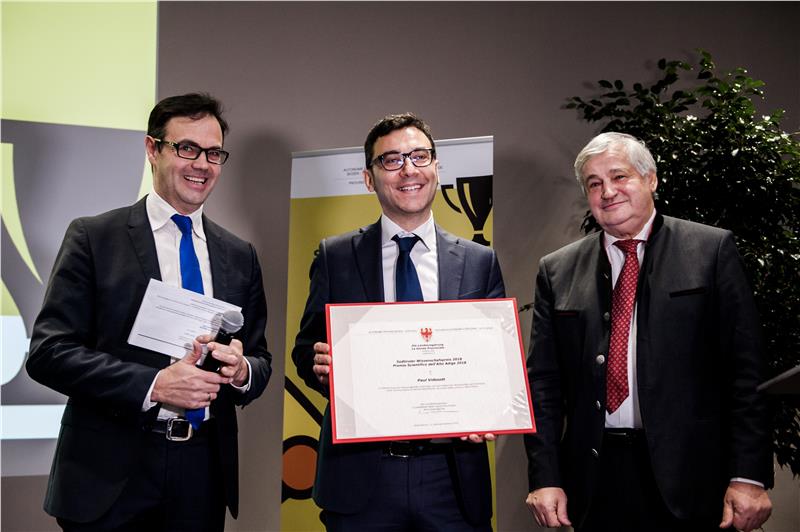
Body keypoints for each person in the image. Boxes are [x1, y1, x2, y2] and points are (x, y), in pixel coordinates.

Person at [26, 93, 272, 532]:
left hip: (202, 473)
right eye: (187, 148)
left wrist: (241, 371)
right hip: (109, 474)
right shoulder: (94, 238)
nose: (202, 164)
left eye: (213, 153)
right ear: (152, 149)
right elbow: (49, 353)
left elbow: (259, 357)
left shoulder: (240, 255)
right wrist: (154, 385)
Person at [523, 132, 773, 531]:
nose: (607, 192)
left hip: (694, 479)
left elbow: (747, 372)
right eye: (594, 183)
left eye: (619, 176)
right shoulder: (557, 270)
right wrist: (545, 476)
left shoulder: (710, 250)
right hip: (596, 480)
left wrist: (749, 475)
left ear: (650, 179)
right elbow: (543, 385)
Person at [292, 113, 505, 531]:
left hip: (452, 477)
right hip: (361, 476)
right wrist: (320, 367)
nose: (409, 170)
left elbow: (497, 363)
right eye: (391, 160)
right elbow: (305, 350)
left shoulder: (479, 261)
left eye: (419, 156)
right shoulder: (335, 256)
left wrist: (490, 407)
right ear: (369, 179)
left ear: (436, 167)